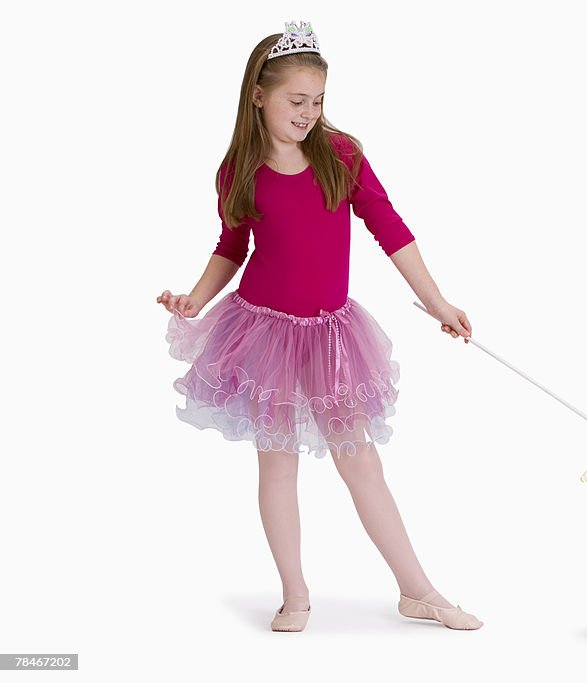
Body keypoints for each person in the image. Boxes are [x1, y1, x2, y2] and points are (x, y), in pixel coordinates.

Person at [156, 20, 482, 632]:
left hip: (331, 334)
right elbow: (231, 245)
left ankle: (419, 591)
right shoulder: (239, 170)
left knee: (359, 461)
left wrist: (438, 302)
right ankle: (295, 593)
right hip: (265, 332)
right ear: (259, 95)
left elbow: (391, 228)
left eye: (319, 101)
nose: (309, 113)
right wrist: (195, 299)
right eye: (296, 101)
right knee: (277, 462)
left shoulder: (341, 155)